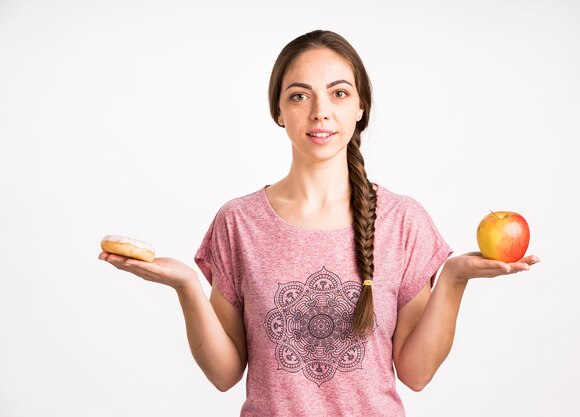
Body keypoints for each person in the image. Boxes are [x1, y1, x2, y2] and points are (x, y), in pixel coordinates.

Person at [98, 30, 540, 416]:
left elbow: (416, 374)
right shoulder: (239, 222)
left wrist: (454, 280)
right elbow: (224, 374)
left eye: (339, 93)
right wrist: (187, 287)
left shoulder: (402, 221)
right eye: (299, 95)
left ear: (361, 107)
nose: (320, 111)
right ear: (278, 112)